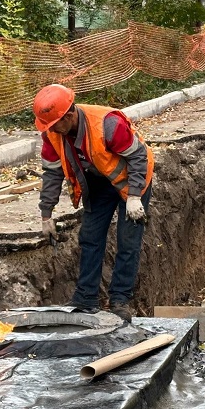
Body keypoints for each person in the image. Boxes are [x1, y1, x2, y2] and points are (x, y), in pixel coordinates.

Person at [34, 84, 154, 322]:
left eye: (54, 124)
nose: (52, 130)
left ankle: (119, 299)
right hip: (98, 183)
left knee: (128, 240)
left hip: (132, 180)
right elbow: (51, 173)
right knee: (89, 237)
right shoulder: (52, 133)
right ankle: (85, 297)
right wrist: (46, 214)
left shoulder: (108, 124)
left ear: (69, 115)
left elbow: (138, 156)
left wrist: (133, 197)